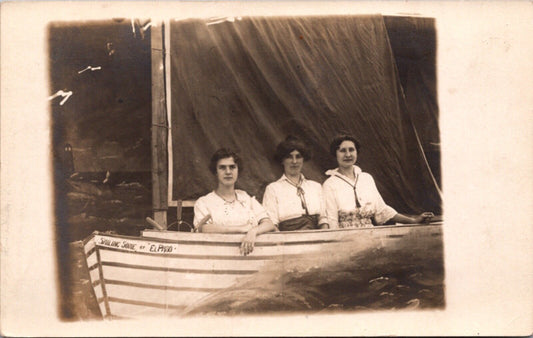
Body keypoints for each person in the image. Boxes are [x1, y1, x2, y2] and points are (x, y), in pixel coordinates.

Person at [322, 134, 434, 228]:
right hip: (344, 239)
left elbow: (382, 210)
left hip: (370, 235)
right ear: (335, 154)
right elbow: (332, 220)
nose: (348, 155)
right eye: (342, 151)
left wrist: (413, 221)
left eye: (351, 150)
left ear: (357, 152)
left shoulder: (366, 178)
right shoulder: (330, 184)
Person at [193, 148, 277, 255]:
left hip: (251, 255)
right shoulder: (204, 202)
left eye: (232, 167)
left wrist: (253, 232)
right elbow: (204, 228)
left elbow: (268, 224)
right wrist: (241, 229)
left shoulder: (246, 198)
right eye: (222, 168)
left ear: (238, 170)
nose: (228, 172)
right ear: (215, 172)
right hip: (217, 256)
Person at [262, 136, 329, 231]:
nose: (294, 161)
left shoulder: (315, 187)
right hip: (288, 240)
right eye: (289, 157)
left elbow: (323, 219)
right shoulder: (273, 189)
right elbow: (272, 224)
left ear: (303, 159)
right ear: (282, 160)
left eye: (298, 156)